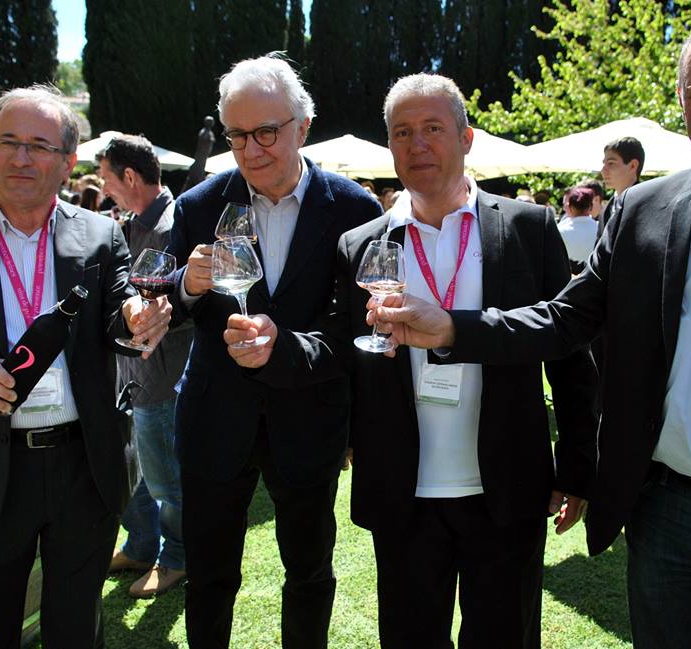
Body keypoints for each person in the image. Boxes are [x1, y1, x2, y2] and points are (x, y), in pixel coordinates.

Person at [374, 11, 691, 647]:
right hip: (668, 519)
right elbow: (565, 319)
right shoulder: (644, 210)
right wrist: (450, 328)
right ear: (681, 101)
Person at [224, 73, 599, 649]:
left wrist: (576, 464)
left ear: (467, 137)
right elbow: (335, 345)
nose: (417, 145)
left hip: (505, 486)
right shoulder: (362, 243)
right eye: (402, 132)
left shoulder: (527, 228)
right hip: (404, 490)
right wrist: (279, 346)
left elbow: (568, 352)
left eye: (432, 129)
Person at [0, 84, 172, 648]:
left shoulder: (101, 235)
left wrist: (137, 316)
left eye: (38, 145)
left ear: (67, 161)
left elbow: (118, 313)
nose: (21, 157)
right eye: (8, 141)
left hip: (83, 462)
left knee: (76, 629)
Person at [166, 54, 382, 649]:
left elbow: (353, 330)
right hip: (215, 419)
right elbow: (168, 302)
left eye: (267, 131)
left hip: (309, 418)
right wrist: (187, 284)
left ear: (303, 126)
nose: (251, 148)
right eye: (237, 134)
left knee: (309, 571)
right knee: (209, 575)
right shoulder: (199, 206)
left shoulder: (355, 210)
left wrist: (284, 348)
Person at [97, 134, 194, 598]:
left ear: (130, 177)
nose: (104, 190)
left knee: (166, 482)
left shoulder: (173, 225)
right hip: (133, 377)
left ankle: (176, 558)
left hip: (163, 378)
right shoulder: (134, 224)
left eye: (107, 181)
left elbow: (182, 310)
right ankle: (140, 545)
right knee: (135, 472)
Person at [597, 136, 644, 237]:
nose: (603, 170)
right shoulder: (605, 210)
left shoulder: (648, 206)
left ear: (633, 166)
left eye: (611, 163)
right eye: (604, 164)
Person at [557, 186, 598, 274]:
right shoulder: (601, 229)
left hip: (568, 281)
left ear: (569, 207)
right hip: (594, 279)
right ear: (591, 207)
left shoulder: (560, 230)